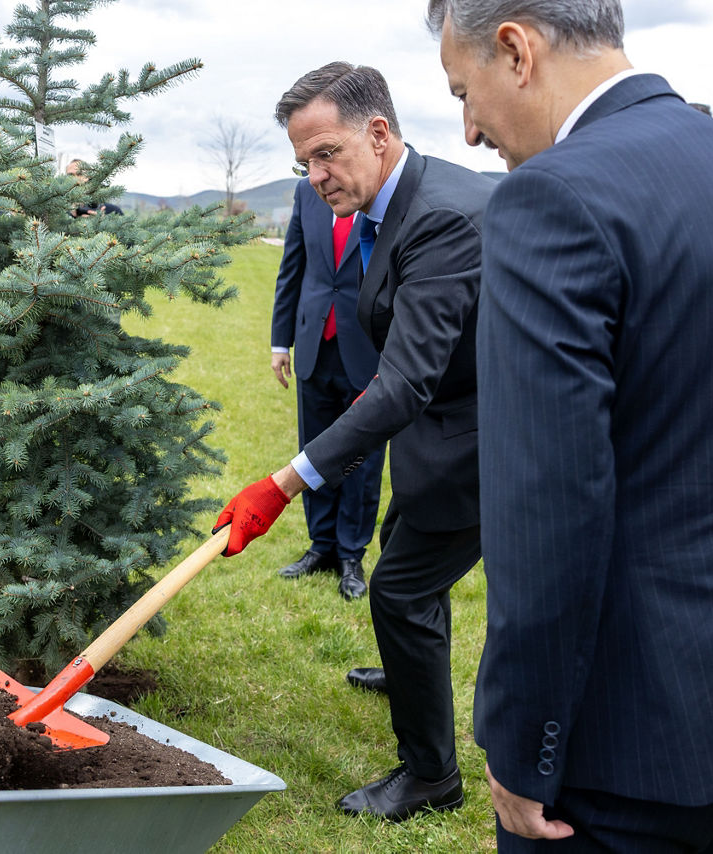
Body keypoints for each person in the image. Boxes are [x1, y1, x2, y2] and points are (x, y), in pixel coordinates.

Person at [427, 0, 713, 849]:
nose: (470, 131)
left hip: (625, 733)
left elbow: (548, 509)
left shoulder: (550, 199)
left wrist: (522, 745)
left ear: (515, 48)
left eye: (461, 92)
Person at [214, 61, 497, 821]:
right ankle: (410, 673)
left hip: (489, 433)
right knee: (405, 544)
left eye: (327, 154)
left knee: (401, 588)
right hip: (443, 420)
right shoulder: (389, 206)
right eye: (304, 162)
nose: (316, 176)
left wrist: (283, 483)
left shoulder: (439, 216)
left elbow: (404, 383)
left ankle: (432, 776)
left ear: (377, 133)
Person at [269, 177, 384, 600]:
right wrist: (280, 342)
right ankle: (321, 546)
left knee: (360, 457)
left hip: (366, 349)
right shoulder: (306, 193)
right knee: (313, 450)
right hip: (313, 345)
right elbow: (292, 267)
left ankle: (352, 554)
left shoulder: (376, 187)